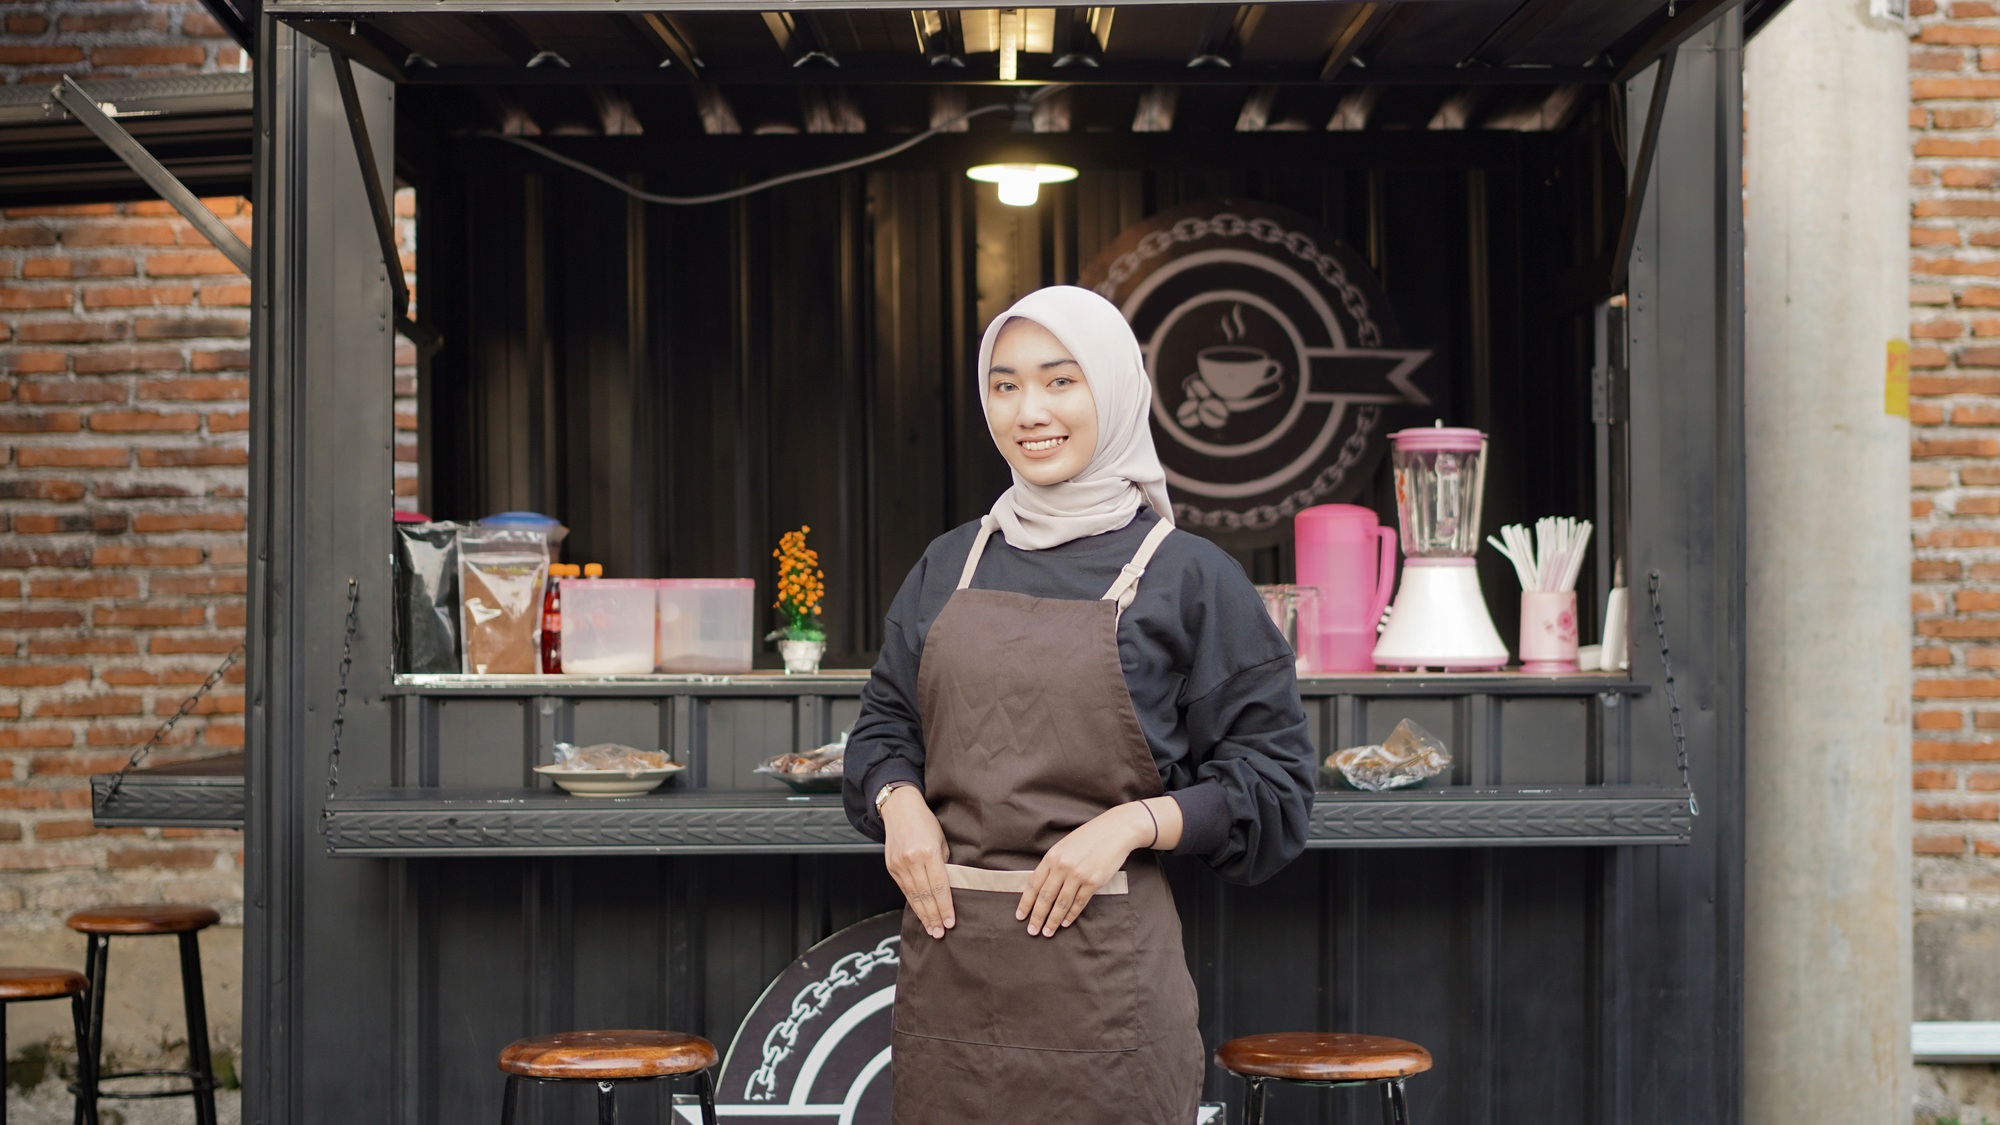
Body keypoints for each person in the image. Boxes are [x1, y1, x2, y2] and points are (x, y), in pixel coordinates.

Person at [843, 285, 1316, 1124]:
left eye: (1062, 381)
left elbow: (1273, 787)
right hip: (950, 989)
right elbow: (885, 723)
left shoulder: (1187, 576)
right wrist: (898, 798)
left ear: (1115, 388)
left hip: (1106, 999)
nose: (1031, 411)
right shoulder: (950, 564)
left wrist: (1132, 824)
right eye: (1005, 383)